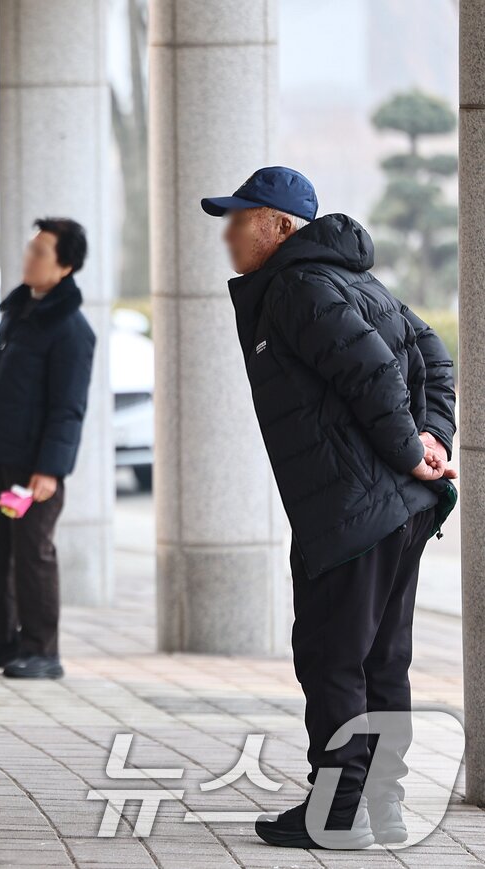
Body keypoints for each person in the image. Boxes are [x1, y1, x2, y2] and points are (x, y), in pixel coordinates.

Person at [201, 166, 458, 849]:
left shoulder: (297, 286)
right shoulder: (354, 282)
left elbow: (373, 371)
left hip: (354, 511)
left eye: (240, 219)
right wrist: (434, 438)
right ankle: (383, 805)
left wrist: (413, 449)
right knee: (381, 659)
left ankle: (339, 811)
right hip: (393, 507)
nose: (228, 233)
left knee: (333, 657)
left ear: (280, 226)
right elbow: (433, 352)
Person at [0, 217, 96, 680]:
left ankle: (42, 649)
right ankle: (2, 640)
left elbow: (68, 407)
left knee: (32, 554)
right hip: (2, 456)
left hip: (35, 469)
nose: (29, 258)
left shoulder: (71, 329)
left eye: (41, 252)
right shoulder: (18, 313)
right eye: (30, 248)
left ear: (65, 266)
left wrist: (50, 469)